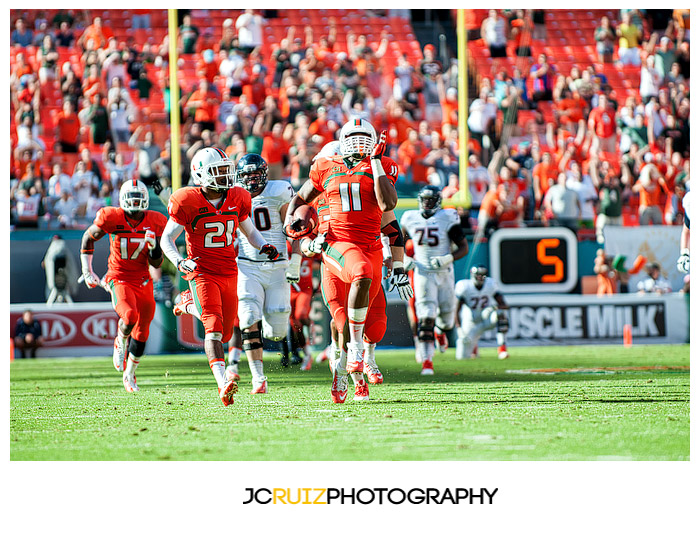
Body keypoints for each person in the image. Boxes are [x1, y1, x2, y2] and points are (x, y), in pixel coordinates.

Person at [286, 119, 400, 403]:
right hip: (336, 251)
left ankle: (345, 369)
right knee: (343, 324)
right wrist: (298, 236)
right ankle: (357, 365)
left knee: (374, 326)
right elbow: (300, 211)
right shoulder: (323, 176)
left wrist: (397, 265)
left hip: (370, 247)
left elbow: (391, 220)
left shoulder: (379, 167)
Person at [161, 148, 279, 406]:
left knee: (226, 333)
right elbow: (166, 238)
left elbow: (249, 231)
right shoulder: (187, 200)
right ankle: (223, 381)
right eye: (218, 171)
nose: (225, 176)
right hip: (201, 271)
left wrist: (263, 246)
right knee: (213, 329)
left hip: (229, 270)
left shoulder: (237, 196)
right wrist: (179, 261)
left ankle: (187, 303)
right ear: (200, 175)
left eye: (226, 169)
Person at [79, 180, 167, 392]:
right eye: (132, 198)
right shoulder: (112, 216)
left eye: (139, 199)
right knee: (129, 316)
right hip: (118, 277)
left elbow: (157, 263)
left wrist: (154, 248)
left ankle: (130, 374)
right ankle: (120, 339)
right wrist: (87, 270)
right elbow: (88, 238)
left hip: (143, 279)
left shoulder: (156, 221)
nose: (135, 203)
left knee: (143, 330)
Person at [228, 153, 294, 393]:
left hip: (278, 266)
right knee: (246, 317)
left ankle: (270, 319)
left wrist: (295, 260)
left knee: (277, 331)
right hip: (248, 264)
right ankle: (259, 378)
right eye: (247, 175)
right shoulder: (233, 194)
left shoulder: (279, 191)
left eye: (256, 174)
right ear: (239, 177)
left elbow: (293, 228)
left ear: (265, 174)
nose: (252, 180)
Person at [401, 185, 468, 375]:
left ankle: (440, 331)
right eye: (424, 200)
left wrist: (447, 258)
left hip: (444, 272)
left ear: (438, 201)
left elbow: (463, 247)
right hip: (422, 273)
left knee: (446, 320)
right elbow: (397, 243)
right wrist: (405, 259)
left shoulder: (447, 217)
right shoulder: (410, 218)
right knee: (426, 315)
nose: (427, 203)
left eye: (431, 200)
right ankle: (427, 362)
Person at [454, 265, 510, 360]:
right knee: (462, 357)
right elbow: (456, 310)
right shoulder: (464, 286)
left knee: (501, 313)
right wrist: (459, 328)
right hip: (470, 322)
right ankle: (473, 347)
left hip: (486, 318)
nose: (480, 278)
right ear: (472, 275)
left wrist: (493, 308)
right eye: (478, 275)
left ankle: (502, 349)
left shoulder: (490, 284)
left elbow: (504, 305)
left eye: (482, 275)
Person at [42, 234, 78, 304]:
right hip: (55, 279)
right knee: (54, 291)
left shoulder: (62, 247)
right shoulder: (53, 249)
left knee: (65, 293)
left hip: (65, 277)